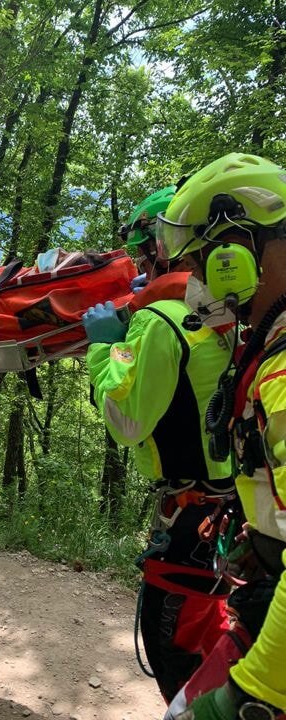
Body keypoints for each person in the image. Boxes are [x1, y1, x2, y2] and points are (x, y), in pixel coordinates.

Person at [82, 187, 237, 704]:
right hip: (239, 513)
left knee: (179, 653)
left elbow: (126, 420)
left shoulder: (160, 321)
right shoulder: (239, 320)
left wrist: (104, 344)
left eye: (141, 250)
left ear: (161, 246)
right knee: (224, 645)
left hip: (192, 521)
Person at [156, 152, 286, 718]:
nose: (201, 282)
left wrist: (250, 694)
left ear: (242, 249)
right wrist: (264, 541)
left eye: (207, 261)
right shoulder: (267, 347)